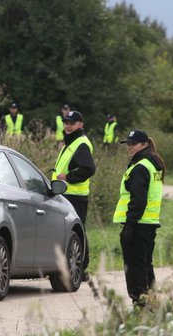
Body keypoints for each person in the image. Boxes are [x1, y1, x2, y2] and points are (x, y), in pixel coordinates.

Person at [113, 130, 165, 307]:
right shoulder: (153, 163)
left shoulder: (141, 166)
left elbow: (138, 200)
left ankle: (140, 304)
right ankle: (150, 302)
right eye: (128, 144)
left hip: (138, 224)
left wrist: (130, 225)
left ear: (144, 144)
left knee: (135, 267)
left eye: (133, 144)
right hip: (148, 224)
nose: (129, 147)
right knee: (145, 265)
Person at [52, 110, 96, 277]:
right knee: (73, 232)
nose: (68, 126)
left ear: (80, 125)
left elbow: (89, 169)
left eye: (72, 123)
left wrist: (68, 177)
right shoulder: (72, 142)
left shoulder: (81, 143)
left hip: (75, 196)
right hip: (65, 194)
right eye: (66, 123)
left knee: (76, 232)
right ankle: (72, 267)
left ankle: (81, 269)